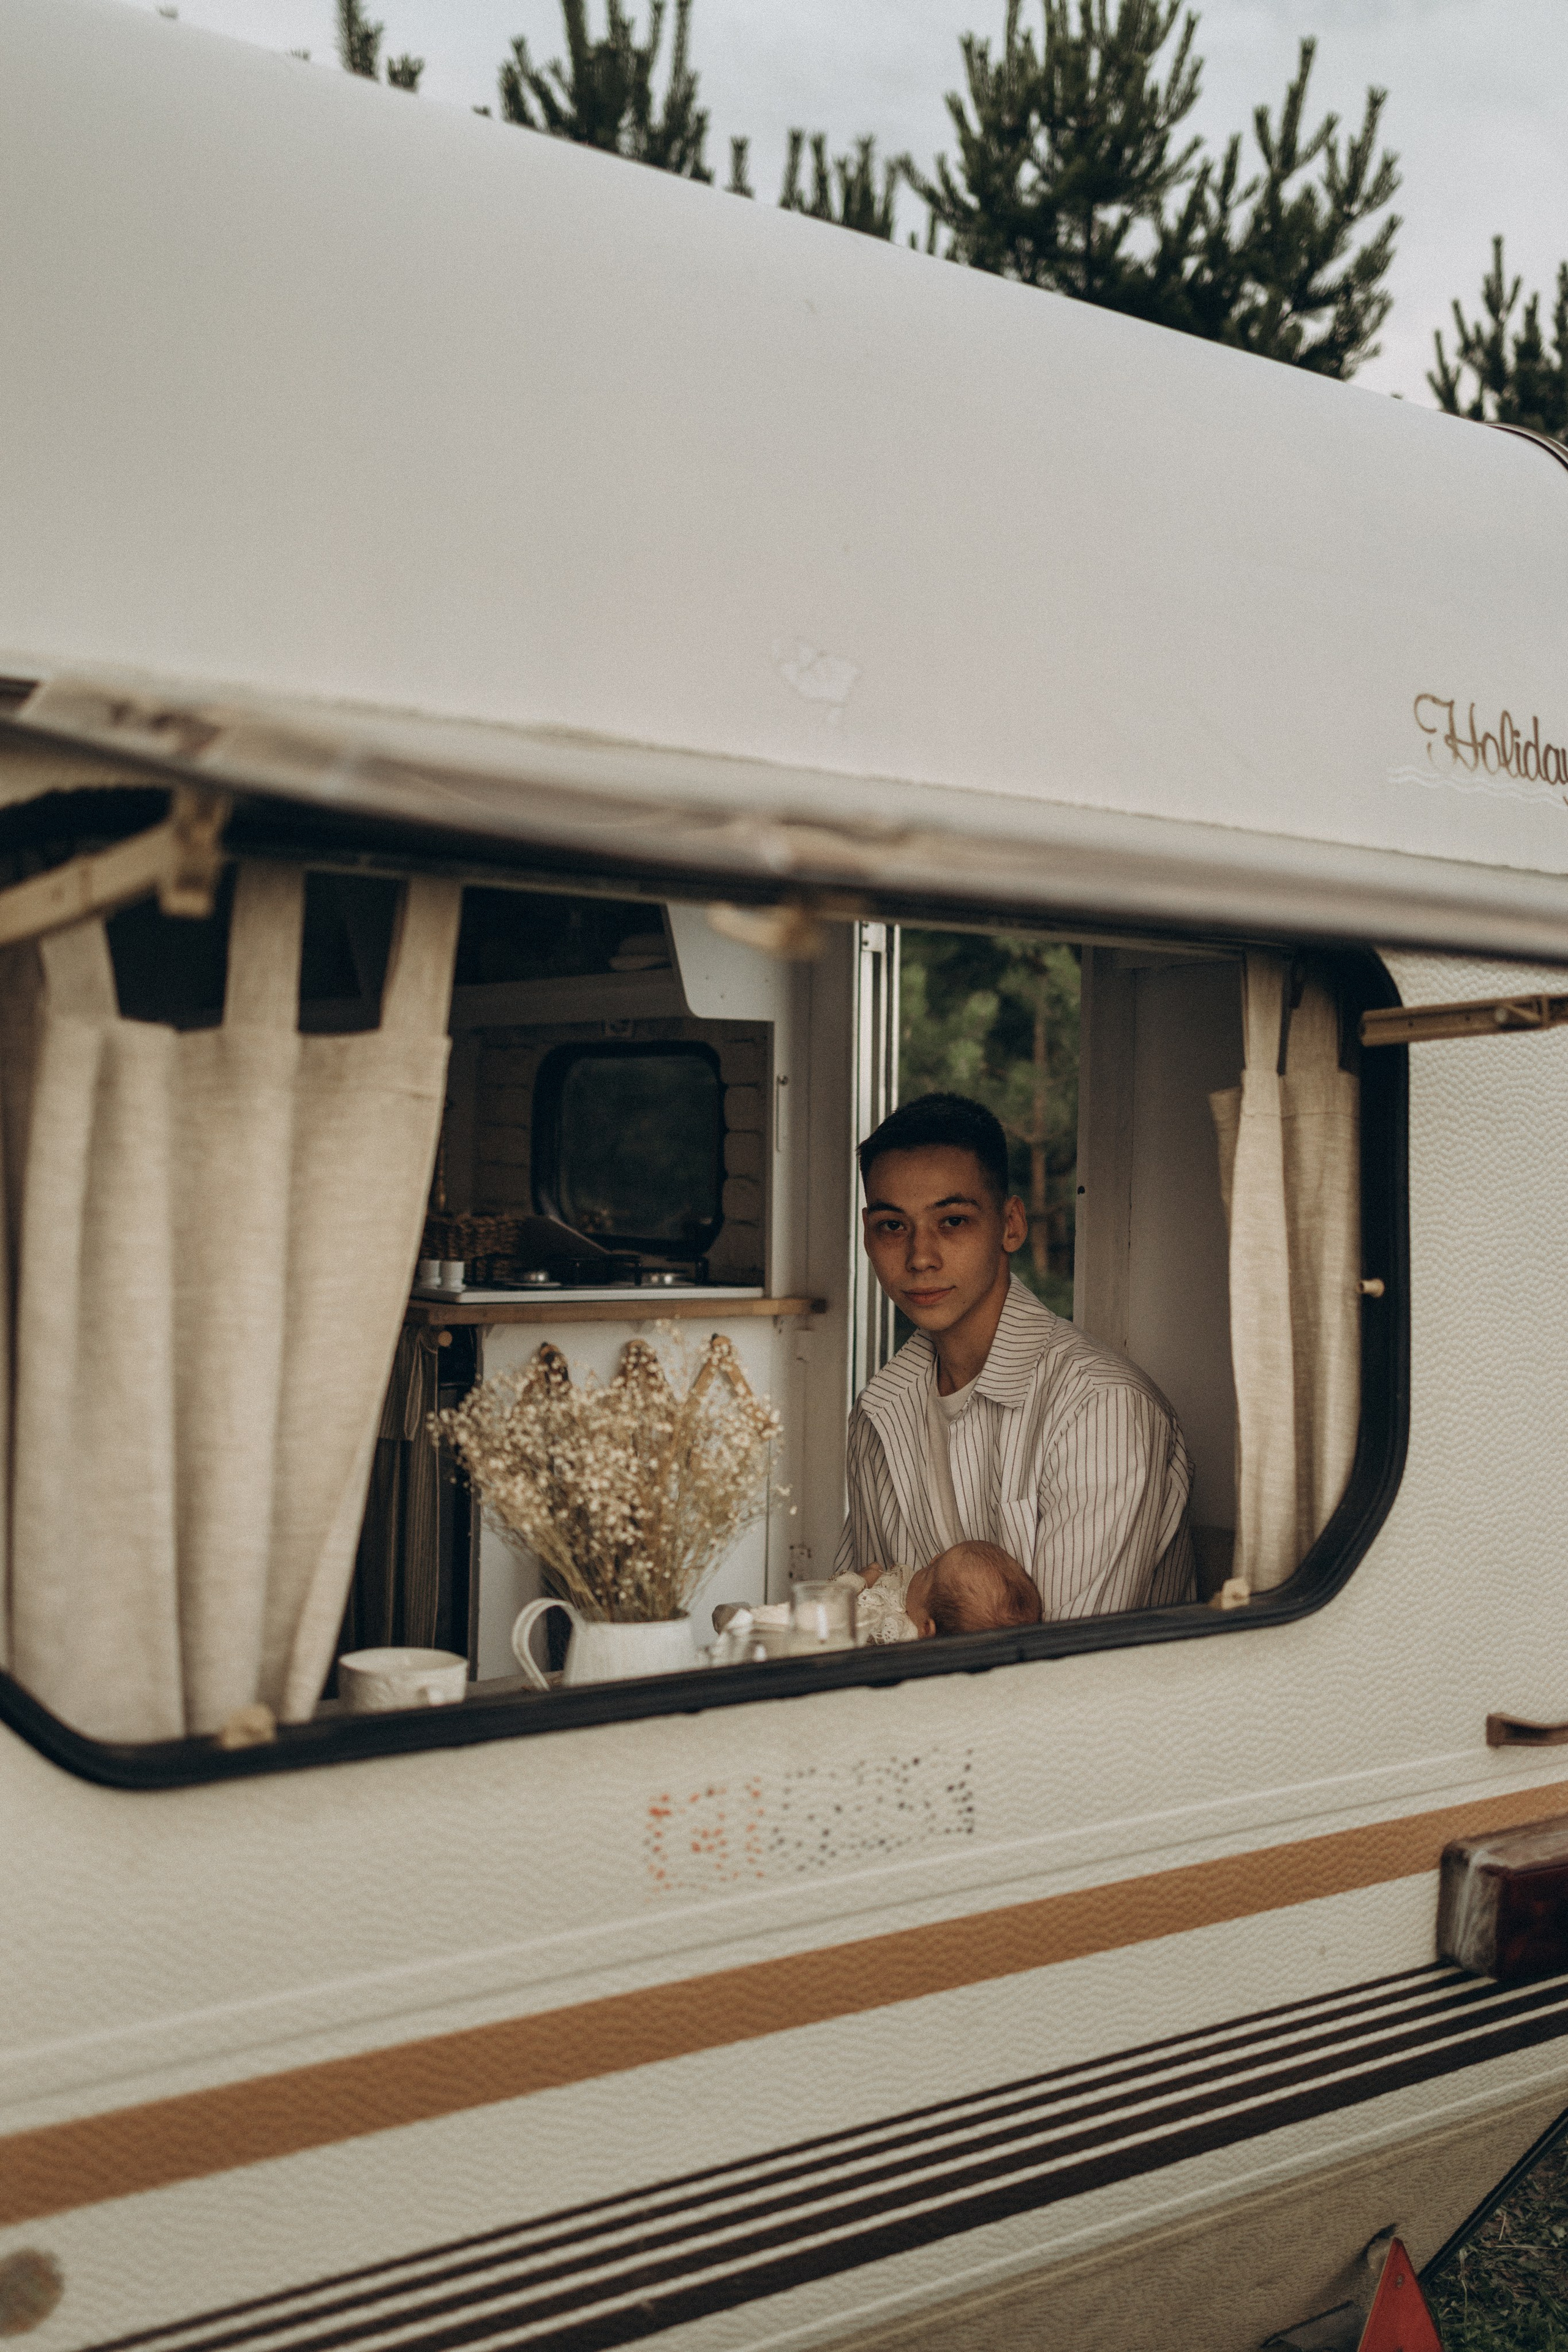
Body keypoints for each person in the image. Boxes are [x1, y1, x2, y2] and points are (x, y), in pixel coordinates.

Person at [834, 1092, 1195, 1619]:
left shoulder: (1102, 1408)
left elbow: (1060, 1669)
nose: (920, 1257)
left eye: (952, 1221)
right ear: (868, 1236)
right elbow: (855, 1609)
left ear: (1011, 1226)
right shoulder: (876, 1415)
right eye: (893, 1226)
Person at [841, 1541, 1044, 1644]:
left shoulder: (894, 1629)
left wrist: (860, 1579)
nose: (934, 1558)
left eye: (930, 1573)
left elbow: (830, 1614)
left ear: (927, 1630)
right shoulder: (914, 1604)